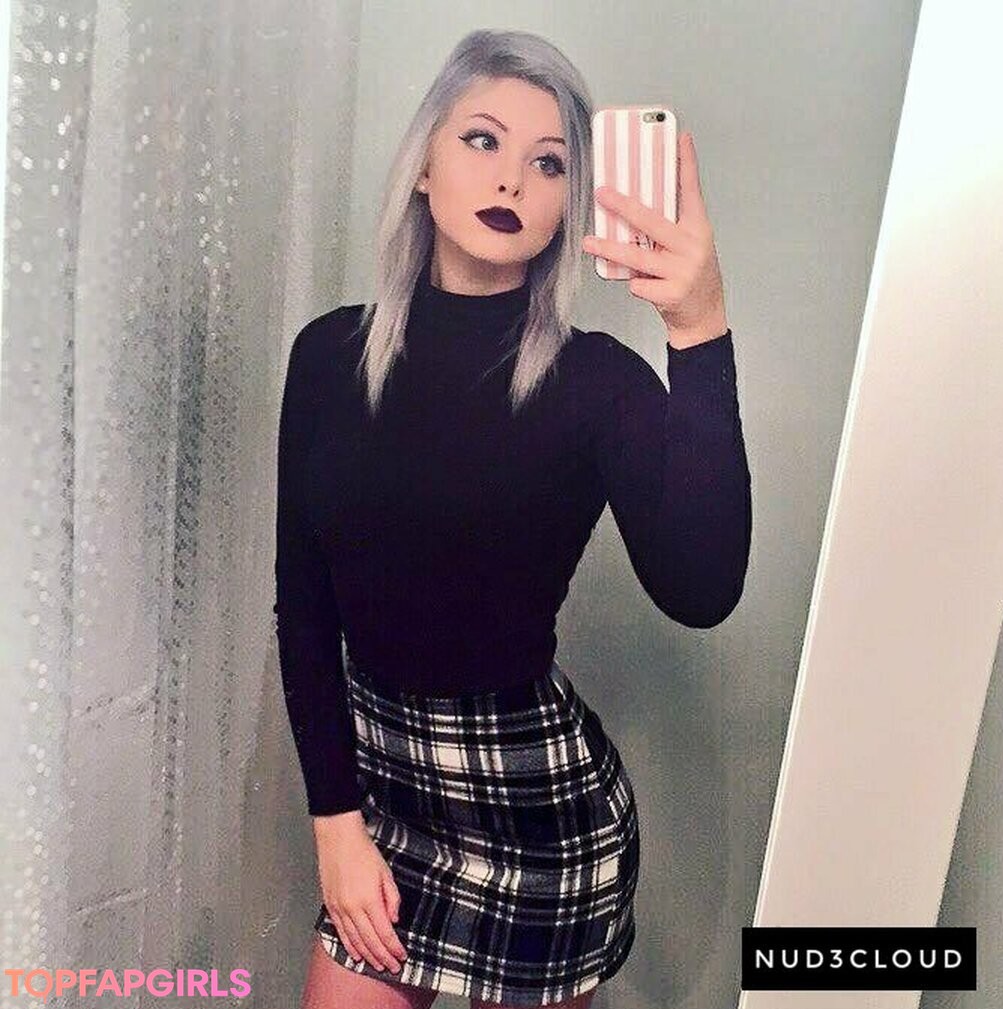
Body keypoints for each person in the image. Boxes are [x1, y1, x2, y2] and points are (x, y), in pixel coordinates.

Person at [274, 28, 751, 1009]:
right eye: (483, 140)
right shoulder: (327, 357)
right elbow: (304, 603)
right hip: (382, 797)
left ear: (571, 203)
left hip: (538, 817)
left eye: (550, 163)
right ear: (424, 165)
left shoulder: (595, 383)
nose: (513, 180)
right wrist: (335, 823)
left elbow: (703, 588)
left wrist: (699, 327)